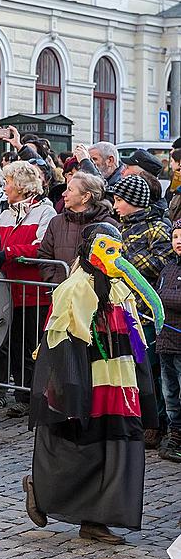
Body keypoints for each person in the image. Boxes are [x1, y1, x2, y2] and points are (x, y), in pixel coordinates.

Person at [23, 223, 161, 544]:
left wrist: (143, 378)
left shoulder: (121, 289)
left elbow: (135, 337)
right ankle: (41, 490)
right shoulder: (74, 289)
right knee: (80, 447)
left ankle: (96, 519)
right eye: (107, 249)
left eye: (118, 250)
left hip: (119, 384)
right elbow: (57, 341)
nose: (114, 257)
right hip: (87, 382)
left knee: (116, 447)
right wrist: (69, 389)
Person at [111, 174, 173, 449]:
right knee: (131, 367)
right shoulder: (118, 229)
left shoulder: (157, 228)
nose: (115, 205)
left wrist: (123, 264)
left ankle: (156, 422)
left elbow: (161, 262)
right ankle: (135, 416)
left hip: (145, 313)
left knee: (151, 369)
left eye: (120, 200)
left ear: (134, 202)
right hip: (123, 309)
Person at [0, 161, 57, 418]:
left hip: (33, 293)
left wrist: (8, 253)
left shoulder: (44, 212)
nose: (5, 187)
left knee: (31, 346)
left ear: (20, 185)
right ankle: (21, 394)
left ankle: (31, 396)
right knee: (13, 344)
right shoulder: (6, 213)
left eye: (8, 182)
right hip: (8, 291)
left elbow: (40, 249)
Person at [37, 172, 117, 285]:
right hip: (61, 293)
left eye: (70, 190)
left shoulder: (108, 225)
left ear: (86, 196)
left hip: (97, 296)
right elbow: (44, 255)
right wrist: (54, 280)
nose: (64, 194)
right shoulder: (56, 222)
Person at [156, 219, 181, 463]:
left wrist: (164, 296)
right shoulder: (168, 268)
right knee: (169, 393)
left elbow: (165, 298)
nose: (178, 241)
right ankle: (174, 433)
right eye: (175, 237)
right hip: (166, 341)